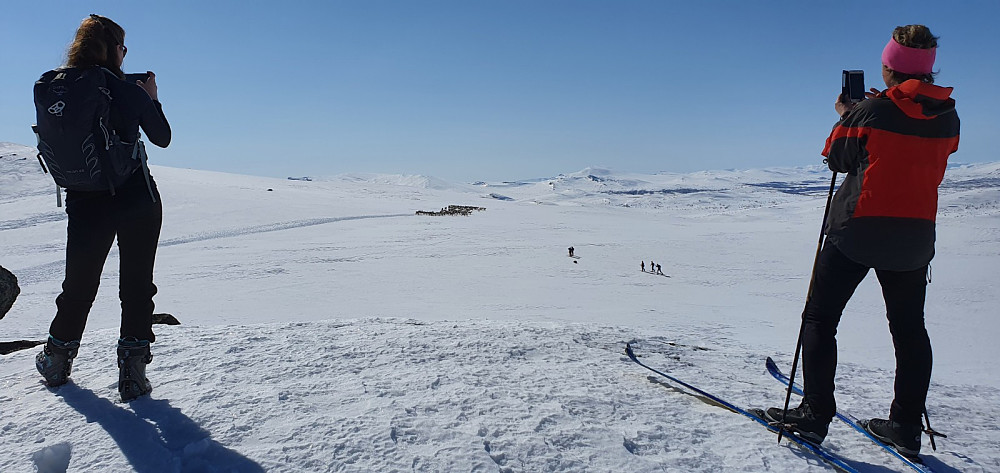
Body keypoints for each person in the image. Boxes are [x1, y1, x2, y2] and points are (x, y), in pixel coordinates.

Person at [766, 25, 959, 458]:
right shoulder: (948, 115)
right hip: (914, 238)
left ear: (889, 67)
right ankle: (905, 427)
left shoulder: (871, 112)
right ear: (928, 70)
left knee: (819, 320)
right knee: (909, 331)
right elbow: (933, 153)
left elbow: (836, 157)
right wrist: (876, 110)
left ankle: (815, 416)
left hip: (858, 229)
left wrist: (848, 113)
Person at [34, 14, 171, 402]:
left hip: (84, 200)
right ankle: (132, 374)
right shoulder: (125, 89)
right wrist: (150, 97)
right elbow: (162, 137)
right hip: (136, 200)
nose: (124, 55)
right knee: (137, 286)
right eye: (122, 47)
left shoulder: (53, 86)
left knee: (78, 286)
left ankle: (57, 360)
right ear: (112, 47)